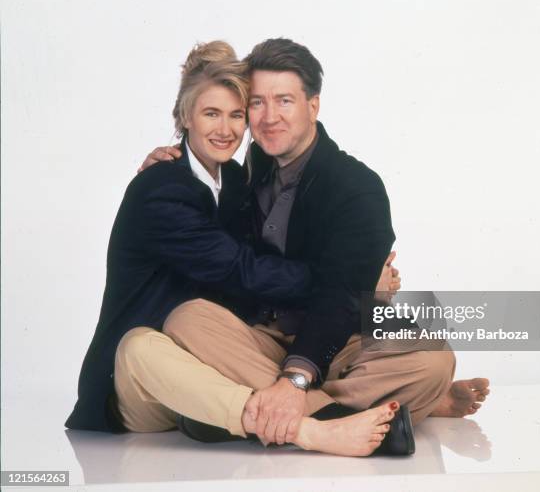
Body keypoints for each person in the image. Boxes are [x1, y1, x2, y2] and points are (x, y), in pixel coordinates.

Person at [142, 38, 490, 451]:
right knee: (186, 319)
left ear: (313, 105)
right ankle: (385, 412)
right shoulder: (247, 168)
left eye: (285, 101)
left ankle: (257, 414)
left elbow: (341, 298)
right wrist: (174, 164)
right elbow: (219, 239)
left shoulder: (357, 187)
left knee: (434, 361)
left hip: (339, 339)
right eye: (257, 103)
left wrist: (295, 378)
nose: (270, 118)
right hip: (264, 337)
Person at [65, 41, 406, 458]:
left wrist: (354, 282)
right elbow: (244, 270)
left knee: (431, 356)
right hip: (152, 375)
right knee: (141, 344)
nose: (225, 129)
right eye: (211, 113)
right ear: (184, 116)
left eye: (236, 115)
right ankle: (315, 428)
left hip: (219, 368)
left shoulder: (236, 180)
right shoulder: (159, 191)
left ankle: (381, 403)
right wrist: (354, 280)